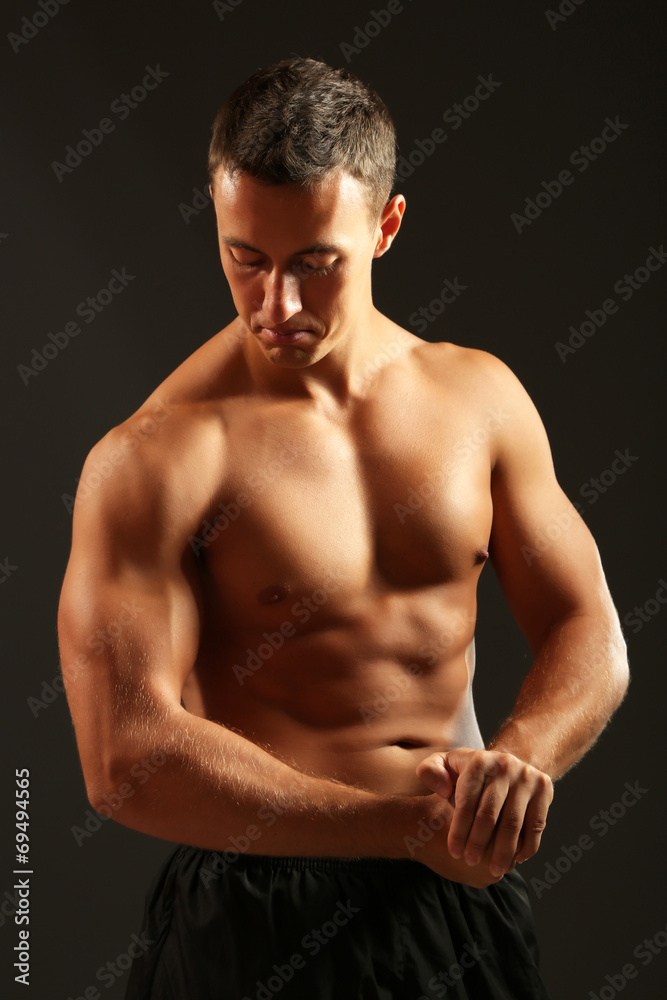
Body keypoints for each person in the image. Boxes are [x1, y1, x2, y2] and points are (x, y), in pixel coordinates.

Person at [57, 56, 629, 999]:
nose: (275, 304)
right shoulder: (154, 457)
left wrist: (517, 764)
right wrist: (401, 828)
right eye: (245, 257)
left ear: (386, 225)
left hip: (453, 903)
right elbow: (124, 759)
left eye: (315, 263)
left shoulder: (479, 398)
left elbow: (589, 630)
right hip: (253, 910)